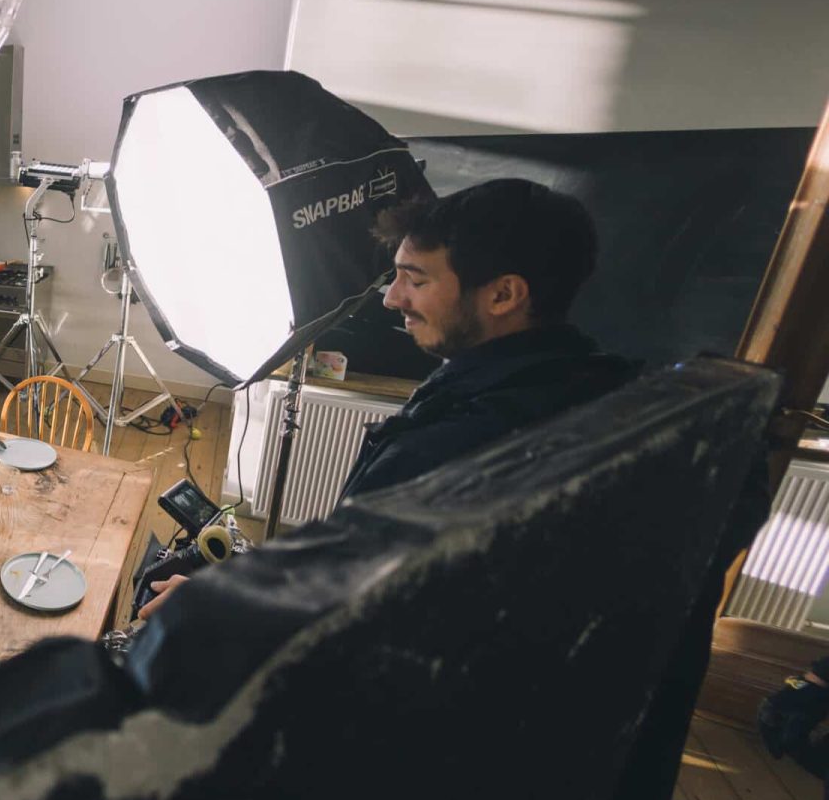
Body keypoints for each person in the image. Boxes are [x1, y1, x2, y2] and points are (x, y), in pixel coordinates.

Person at [139, 179, 632, 621]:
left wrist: (224, 606)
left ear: (503, 295)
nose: (392, 298)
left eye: (415, 280)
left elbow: (348, 622)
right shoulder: (597, 385)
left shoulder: (451, 450)